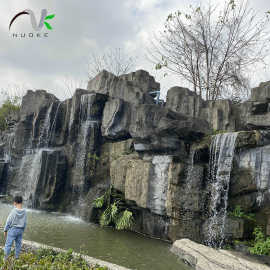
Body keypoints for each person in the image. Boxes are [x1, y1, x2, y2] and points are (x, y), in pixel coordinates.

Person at [3, 195, 27, 261]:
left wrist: (5, 230)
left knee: (8, 244)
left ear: (15, 203)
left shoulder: (13, 211)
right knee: (18, 245)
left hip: (13, 230)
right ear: (21, 202)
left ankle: (5, 259)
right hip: (20, 230)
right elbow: (25, 222)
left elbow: (8, 221)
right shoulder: (24, 211)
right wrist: (23, 230)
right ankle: (16, 258)